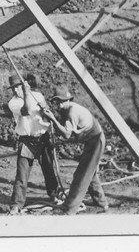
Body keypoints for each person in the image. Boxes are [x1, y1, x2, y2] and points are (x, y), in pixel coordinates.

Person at [40, 85, 109, 215]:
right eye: (56, 102)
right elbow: (69, 133)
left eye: (61, 101)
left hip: (96, 140)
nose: (58, 105)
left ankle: (69, 208)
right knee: (91, 173)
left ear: (68, 100)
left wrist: (53, 119)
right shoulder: (67, 110)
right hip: (91, 140)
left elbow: (66, 134)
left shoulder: (72, 112)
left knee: (81, 175)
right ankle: (101, 202)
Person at [7, 74, 63, 215]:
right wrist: (26, 93)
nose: (15, 91)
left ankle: (55, 195)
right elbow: (25, 111)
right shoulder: (13, 103)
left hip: (43, 139)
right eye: (13, 88)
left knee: (49, 169)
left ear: (24, 84)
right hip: (27, 141)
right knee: (22, 174)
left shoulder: (37, 95)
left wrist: (45, 109)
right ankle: (16, 205)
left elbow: (46, 113)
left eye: (18, 87)